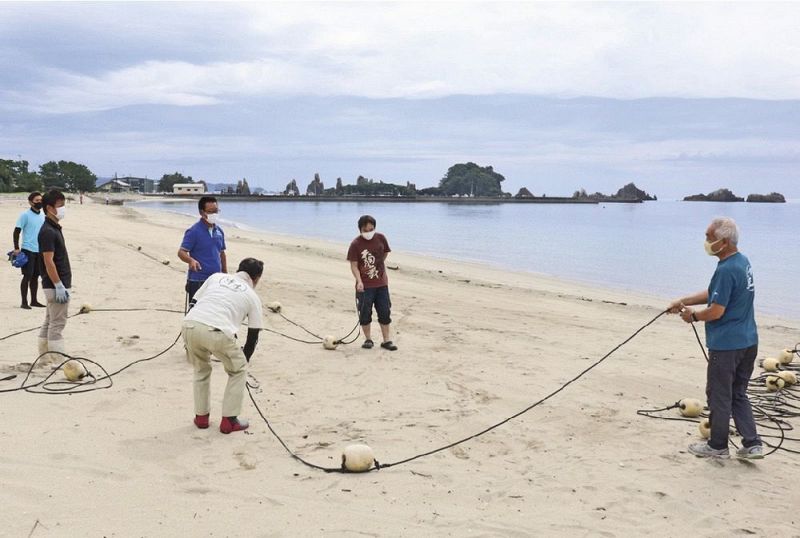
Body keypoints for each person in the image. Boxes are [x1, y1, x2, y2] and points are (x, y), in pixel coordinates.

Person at [668, 216, 762, 459]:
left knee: (719, 394)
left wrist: (694, 317)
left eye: (709, 237)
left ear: (724, 241)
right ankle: (752, 444)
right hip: (749, 341)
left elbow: (717, 310)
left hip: (728, 345)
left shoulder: (728, 268)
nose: (706, 241)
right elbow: (716, 293)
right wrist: (684, 301)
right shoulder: (742, 262)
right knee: (738, 393)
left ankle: (718, 446)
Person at [182, 258, 264, 434]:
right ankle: (229, 420)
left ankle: (201, 417)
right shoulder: (252, 295)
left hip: (190, 324)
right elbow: (253, 335)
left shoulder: (216, 277)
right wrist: (244, 359)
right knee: (238, 370)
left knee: (201, 370)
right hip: (217, 330)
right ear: (256, 278)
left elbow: (193, 303)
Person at [347, 214, 397, 351]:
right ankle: (368, 339)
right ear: (360, 229)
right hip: (364, 285)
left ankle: (386, 340)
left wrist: (379, 264)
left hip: (381, 283)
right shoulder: (355, 244)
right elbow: (354, 265)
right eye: (366, 230)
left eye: (371, 229)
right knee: (365, 312)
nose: (369, 233)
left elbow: (385, 253)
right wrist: (359, 281)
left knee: (384, 311)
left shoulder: (381, 238)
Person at [37, 189, 72, 367]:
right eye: (61, 206)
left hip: (54, 284)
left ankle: (44, 357)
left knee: (50, 321)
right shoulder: (48, 231)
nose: (63, 209)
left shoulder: (53, 228)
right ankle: (58, 362)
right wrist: (59, 284)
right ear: (50, 208)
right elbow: (48, 261)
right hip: (55, 284)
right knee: (57, 324)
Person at [178, 196, 227, 307]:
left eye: (216, 211)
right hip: (198, 280)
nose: (214, 214)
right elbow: (181, 252)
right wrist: (191, 261)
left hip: (216, 280)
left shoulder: (219, 231)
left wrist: (224, 273)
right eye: (210, 212)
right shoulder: (194, 231)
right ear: (202, 212)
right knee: (195, 311)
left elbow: (222, 253)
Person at [12, 191, 46, 309]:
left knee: (36, 276)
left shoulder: (43, 215)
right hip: (27, 249)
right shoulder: (24, 215)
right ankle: (24, 302)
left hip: (39, 250)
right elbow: (17, 231)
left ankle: (34, 300)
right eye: (37, 201)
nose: (39, 203)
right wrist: (16, 248)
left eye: (41, 200)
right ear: (31, 202)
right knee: (27, 275)